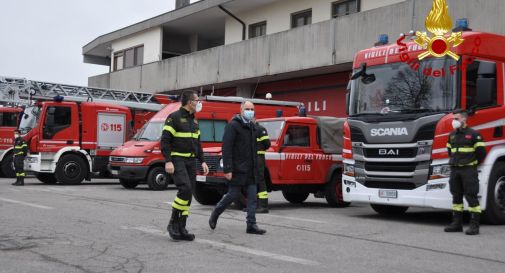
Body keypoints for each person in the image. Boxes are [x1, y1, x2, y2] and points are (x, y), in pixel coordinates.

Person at [209, 101, 266, 235]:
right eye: (247, 109)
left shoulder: (252, 127)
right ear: (241, 110)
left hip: (251, 169)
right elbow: (226, 148)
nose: (250, 111)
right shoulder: (233, 126)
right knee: (232, 195)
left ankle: (251, 224)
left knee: (252, 197)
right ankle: (216, 212)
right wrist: (228, 169)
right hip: (237, 168)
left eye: (252, 109)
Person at [161, 91, 209, 241]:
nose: (199, 102)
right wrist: (168, 160)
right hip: (177, 160)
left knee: (189, 194)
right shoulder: (174, 117)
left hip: (190, 162)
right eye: (197, 100)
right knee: (185, 189)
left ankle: (182, 227)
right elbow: (165, 141)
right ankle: (172, 223)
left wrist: (202, 160)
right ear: (190, 102)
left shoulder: (194, 121)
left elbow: (198, 144)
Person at [445, 110, 486, 235]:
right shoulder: (452, 135)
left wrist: (471, 164)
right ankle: (457, 224)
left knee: (471, 196)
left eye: (456, 119)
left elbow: (481, 153)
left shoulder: (474, 134)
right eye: (453, 119)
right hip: (455, 170)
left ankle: (474, 226)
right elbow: (449, 151)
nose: (454, 121)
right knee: (456, 196)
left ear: (464, 119)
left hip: (468, 170)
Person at [255, 121, 270, 213]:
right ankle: (255, 205)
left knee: (260, 180)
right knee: (254, 181)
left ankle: (263, 206)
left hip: (259, 158)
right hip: (252, 158)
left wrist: (260, 149)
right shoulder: (249, 129)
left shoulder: (260, 129)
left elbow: (267, 144)